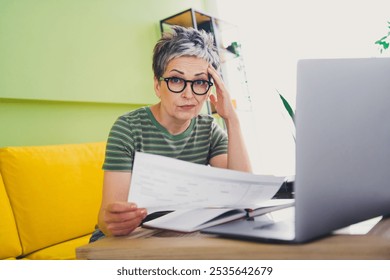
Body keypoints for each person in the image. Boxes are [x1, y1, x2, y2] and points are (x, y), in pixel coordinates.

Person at [90, 25, 251, 242]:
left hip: (178, 234)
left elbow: (242, 194)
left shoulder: (208, 129)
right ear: (157, 85)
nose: (188, 94)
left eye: (200, 82)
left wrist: (232, 119)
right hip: (129, 238)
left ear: (209, 89)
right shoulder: (128, 128)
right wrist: (116, 222)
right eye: (176, 80)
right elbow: (105, 220)